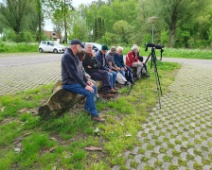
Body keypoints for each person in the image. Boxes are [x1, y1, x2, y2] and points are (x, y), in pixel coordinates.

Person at [61, 39, 105, 122]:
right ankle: (94, 115)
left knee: (94, 88)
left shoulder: (75, 55)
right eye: (80, 46)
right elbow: (73, 74)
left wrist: (86, 81)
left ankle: (86, 109)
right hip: (69, 83)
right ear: (75, 46)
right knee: (89, 91)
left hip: (76, 82)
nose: (81, 48)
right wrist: (85, 86)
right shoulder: (67, 56)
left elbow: (80, 70)